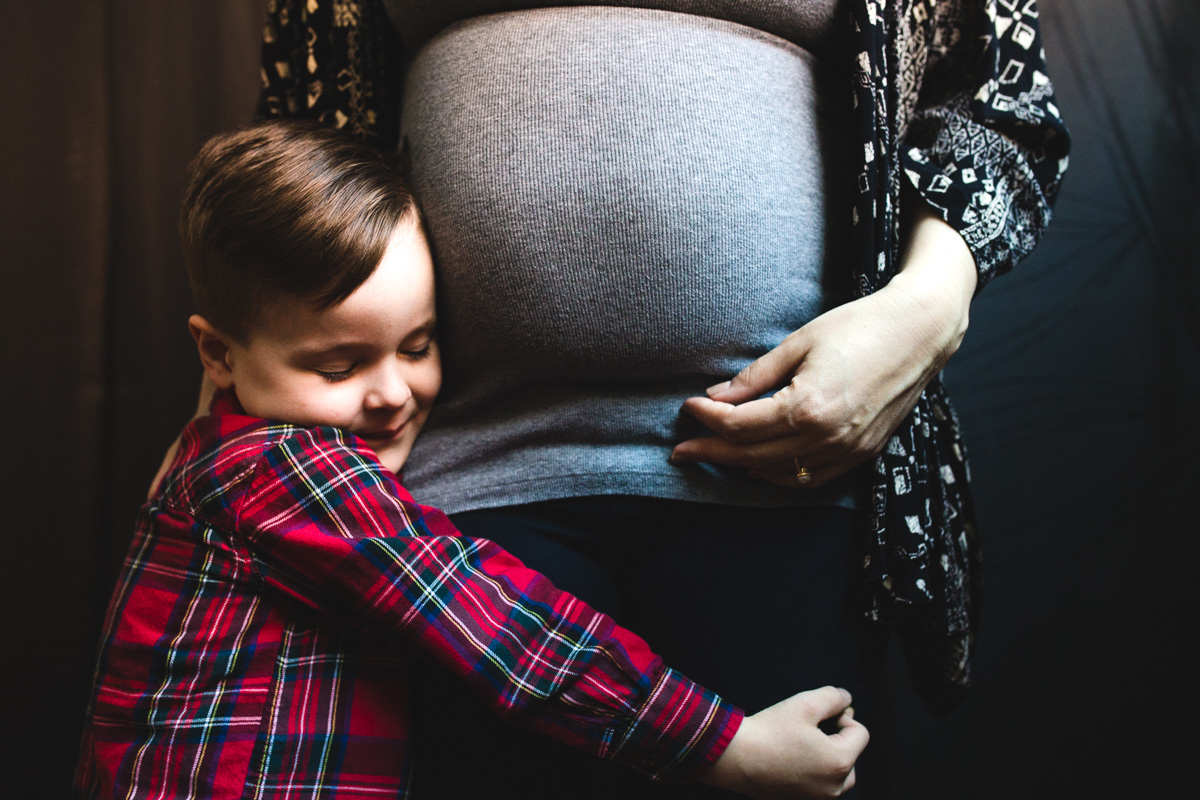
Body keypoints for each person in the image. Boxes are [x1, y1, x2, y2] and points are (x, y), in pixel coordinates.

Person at [256, 1, 1069, 796]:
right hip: (455, 479)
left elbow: (997, 101)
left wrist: (925, 311)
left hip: (786, 466)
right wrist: (224, 447)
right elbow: (294, 157)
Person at [73, 119, 870, 799]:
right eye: (338, 367)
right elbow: (502, 629)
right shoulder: (281, 469)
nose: (391, 392)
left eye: (417, 346)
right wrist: (725, 747)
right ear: (217, 352)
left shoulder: (219, 457)